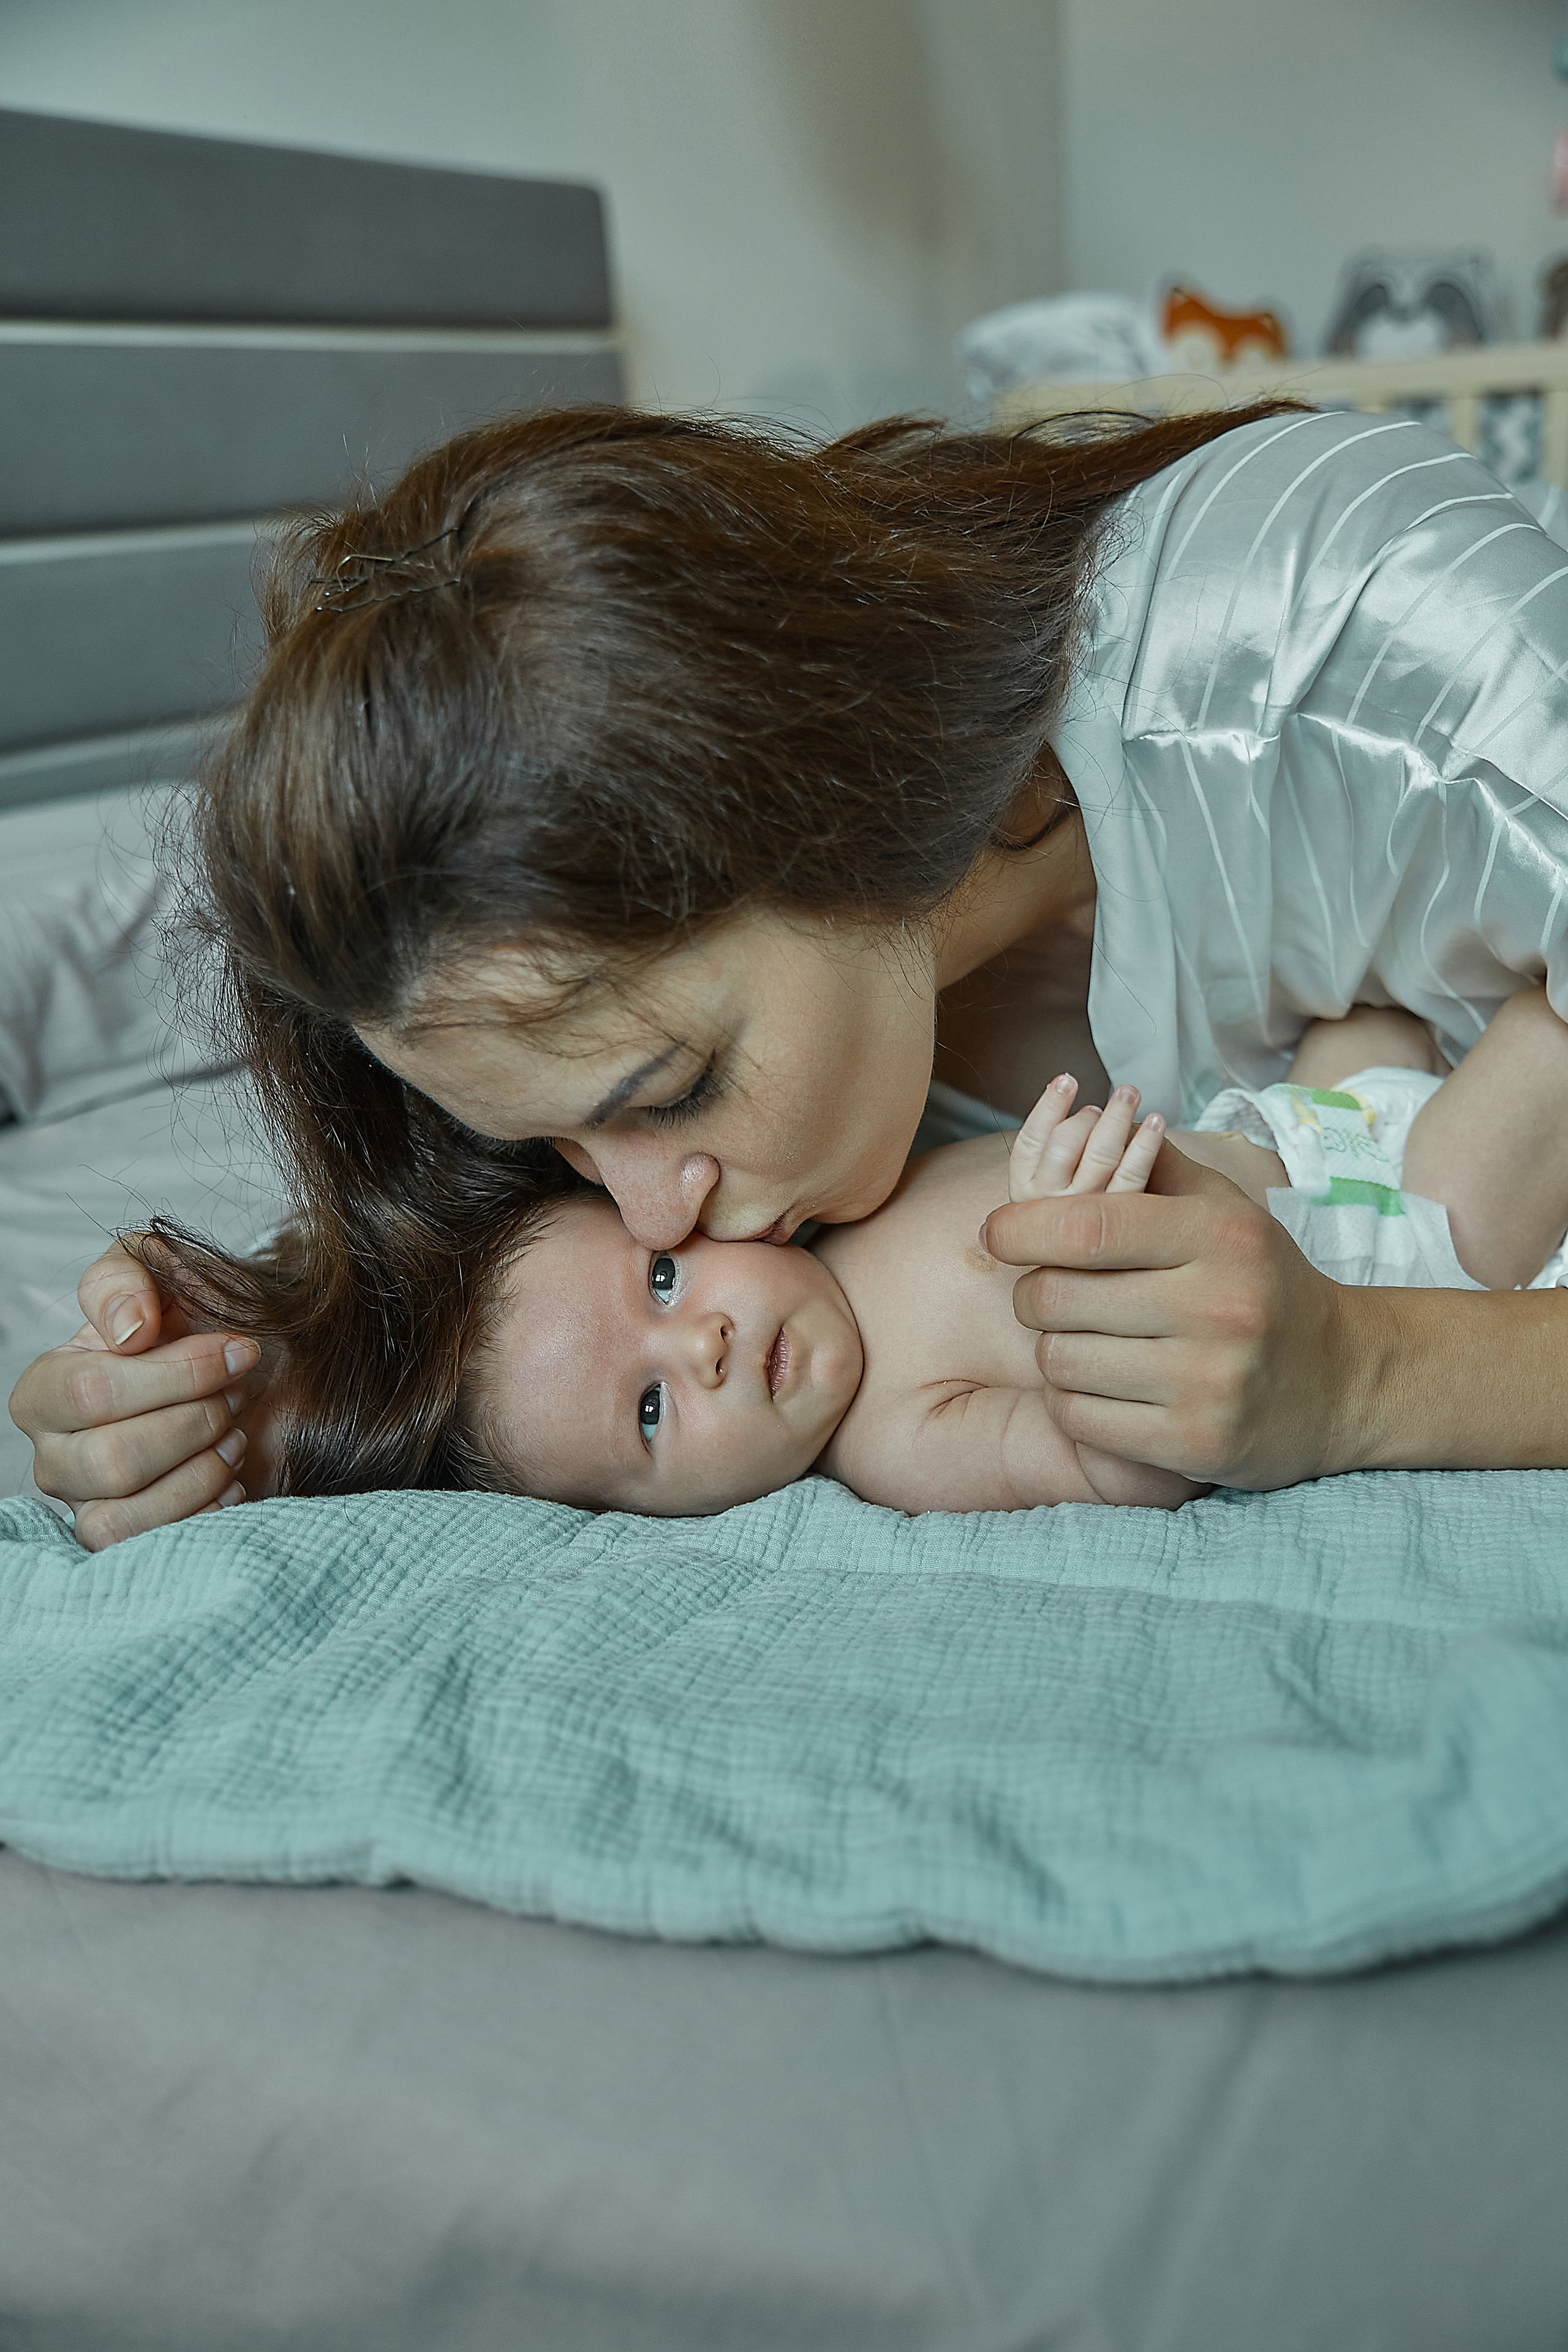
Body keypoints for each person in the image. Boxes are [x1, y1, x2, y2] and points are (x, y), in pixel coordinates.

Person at [13, 398, 1568, 1548]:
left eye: (674, 1087)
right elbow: (549, 1316)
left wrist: (1365, 1378)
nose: (649, 1216)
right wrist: (254, 1394)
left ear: (818, 789)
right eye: (552, 1143)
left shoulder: (1401, 683)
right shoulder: (688, 1036)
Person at [176, 990, 1568, 1525]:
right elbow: (1120, 1460)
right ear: (650, 1519)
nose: (702, 1341)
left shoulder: (810, 1205)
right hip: (1398, 1244)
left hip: (1293, 1127)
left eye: (659, 1287)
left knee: (1362, 989)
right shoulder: (894, 1442)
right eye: (652, 1410)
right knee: (1541, 1038)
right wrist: (1081, 1266)